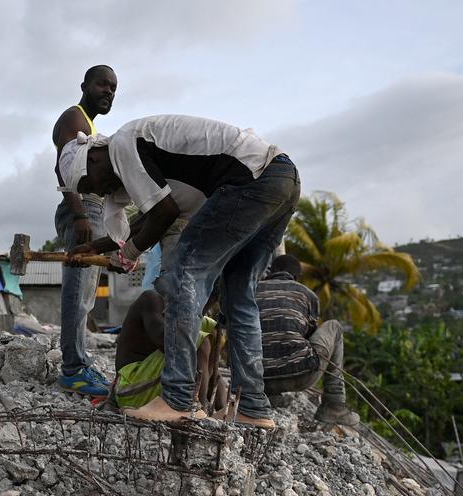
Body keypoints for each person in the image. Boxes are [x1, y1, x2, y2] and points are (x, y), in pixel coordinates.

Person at [59, 115, 300, 428]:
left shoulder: (121, 143)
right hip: (281, 179)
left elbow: (164, 213)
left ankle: (178, 398)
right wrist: (100, 247)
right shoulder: (143, 154)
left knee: (183, 277)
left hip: (247, 182)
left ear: (92, 157)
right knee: (239, 297)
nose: (102, 191)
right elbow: (152, 217)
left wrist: (128, 253)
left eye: (91, 184)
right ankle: (252, 407)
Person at [52, 65, 118, 395]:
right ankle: (73, 370)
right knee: (78, 292)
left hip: (91, 207)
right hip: (81, 207)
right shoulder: (75, 118)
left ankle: (79, 362)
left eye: (113, 88)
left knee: (86, 295)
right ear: (85, 86)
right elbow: (63, 168)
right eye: (102, 84)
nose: (108, 91)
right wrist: (80, 216)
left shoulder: (88, 125)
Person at [256, 254, 359, 426]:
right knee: (334, 326)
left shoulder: (250, 291)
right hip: (300, 376)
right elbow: (309, 334)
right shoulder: (306, 294)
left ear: (271, 272)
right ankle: (334, 404)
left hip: (253, 378)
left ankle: (268, 396)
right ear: (297, 277)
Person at [112, 279, 228, 413]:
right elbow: (170, 345)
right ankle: (198, 410)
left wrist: (220, 404)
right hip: (131, 390)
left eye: (207, 306)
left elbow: (210, 366)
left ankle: (212, 408)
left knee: (212, 335)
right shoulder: (151, 300)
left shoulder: (202, 319)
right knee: (201, 342)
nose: (200, 311)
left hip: (154, 385)